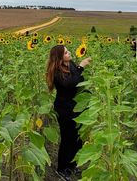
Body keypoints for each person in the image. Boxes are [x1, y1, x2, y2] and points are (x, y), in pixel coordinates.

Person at [46, 45, 92, 180]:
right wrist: (81, 67)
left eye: (67, 51)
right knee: (67, 139)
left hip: (76, 106)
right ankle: (61, 169)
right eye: (66, 52)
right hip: (64, 109)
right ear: (59, 57)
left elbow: (79, 81)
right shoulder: (56, 72)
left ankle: (72, 166)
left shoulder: (70, 64)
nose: (69, 52)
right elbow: (70, 84)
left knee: (77, 138)